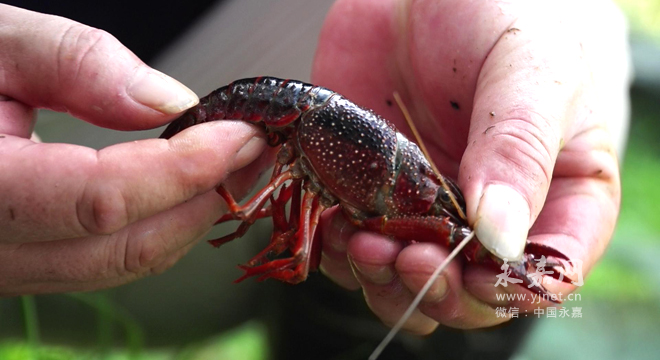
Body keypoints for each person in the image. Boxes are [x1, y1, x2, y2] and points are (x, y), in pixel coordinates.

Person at [0, 0, 629, 353]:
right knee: (314, 257)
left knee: (583, 43)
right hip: (80, 154)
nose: (443, 207)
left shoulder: (417, 188)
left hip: (199, 75)